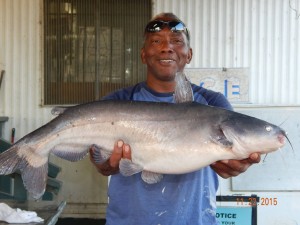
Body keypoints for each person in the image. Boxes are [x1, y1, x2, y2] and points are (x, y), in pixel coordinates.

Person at [90, 12, 261, 225]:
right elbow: (101, 164)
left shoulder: (213, 103)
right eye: (156, 41)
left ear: (189, 54)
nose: (166, 47)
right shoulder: (117, 102)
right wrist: (108, 164)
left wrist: (234, 166)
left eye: (177, 41)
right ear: (143, 55)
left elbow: (228, 166)